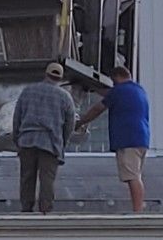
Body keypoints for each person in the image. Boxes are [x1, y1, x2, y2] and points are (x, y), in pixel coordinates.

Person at [78, 63, 150, 212]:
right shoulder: (138, 90)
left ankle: (138, 211)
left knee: (133, 177)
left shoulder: (118, 91)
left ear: (117, 77)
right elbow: (110, 93)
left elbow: (98, 108)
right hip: (141, 139)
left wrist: (81, 122)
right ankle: (138, 209)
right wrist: (95, 89)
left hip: (127, 139)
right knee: (136, 174)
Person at [12, 61, 78, 213]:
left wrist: (17, 138)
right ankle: (45, 210)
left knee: (27, 177)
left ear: (46, 74)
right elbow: (69, 124)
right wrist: (62, 144)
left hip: (27, 140)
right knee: (47, 179)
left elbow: (17, 117)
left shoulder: (28, 91)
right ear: (60, 77)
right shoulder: (65, 97)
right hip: (50, 142)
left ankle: (26, 208)